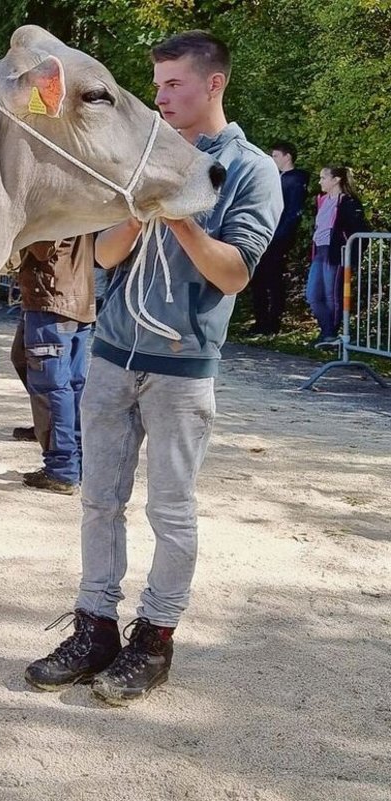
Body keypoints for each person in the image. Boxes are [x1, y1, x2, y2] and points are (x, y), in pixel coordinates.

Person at [24, 31, 282, 705]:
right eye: (158, 84)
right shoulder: (139, 151)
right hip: (111, 356)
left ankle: (156, 639)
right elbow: (103, 257)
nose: (161, 96)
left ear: (214, 84)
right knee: (98, 503)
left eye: (173, 84)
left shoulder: (249, 170)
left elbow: (232, 274)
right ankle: (95, 627)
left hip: (181, 367)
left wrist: (182, 217)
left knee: (172, 510)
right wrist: (138, 214)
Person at [9, 235, 96, 495]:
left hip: (52, 298)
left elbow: (43, 247)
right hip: (71, 299)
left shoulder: (56, 200)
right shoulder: (82, 197)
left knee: (53, 387)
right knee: (63, 381)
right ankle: (71, 456)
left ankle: (62, 469)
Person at [249, 142, 309, 334]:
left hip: (277, 238)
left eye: (276, 156)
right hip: (264, 234)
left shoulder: (295, 181)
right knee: (257, 279)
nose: (273, 160)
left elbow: (293, 211)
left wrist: (281, 237)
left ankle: (273, 323)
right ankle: (260, 321)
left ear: (287, 156)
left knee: (273, 280)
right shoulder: (275, 178)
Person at [305, 165, 368, 347]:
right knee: (312, 295)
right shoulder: (322, 200)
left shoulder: (348, 202)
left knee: (332, 294)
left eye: (324, 177)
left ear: (336, 179)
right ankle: (326, 332)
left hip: (336, 254)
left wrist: (350, 254)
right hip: (320, 253)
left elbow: (360, 231)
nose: (320, 181)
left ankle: (330, 334)